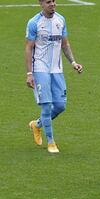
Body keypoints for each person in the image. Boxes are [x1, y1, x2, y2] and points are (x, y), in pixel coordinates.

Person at [26, 0, 83, 153]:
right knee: (46, 105)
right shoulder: (34, 22)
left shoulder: (61, 19)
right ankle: (51, 142)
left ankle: (36, 125)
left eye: (54, 1)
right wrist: (29, 73)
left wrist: (73, 62)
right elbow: (29, 48)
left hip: (57, 69)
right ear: (41, 4)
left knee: (60, 106)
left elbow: (65, 44)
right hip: (40, 68)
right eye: (49, 2)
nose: (53, 4)